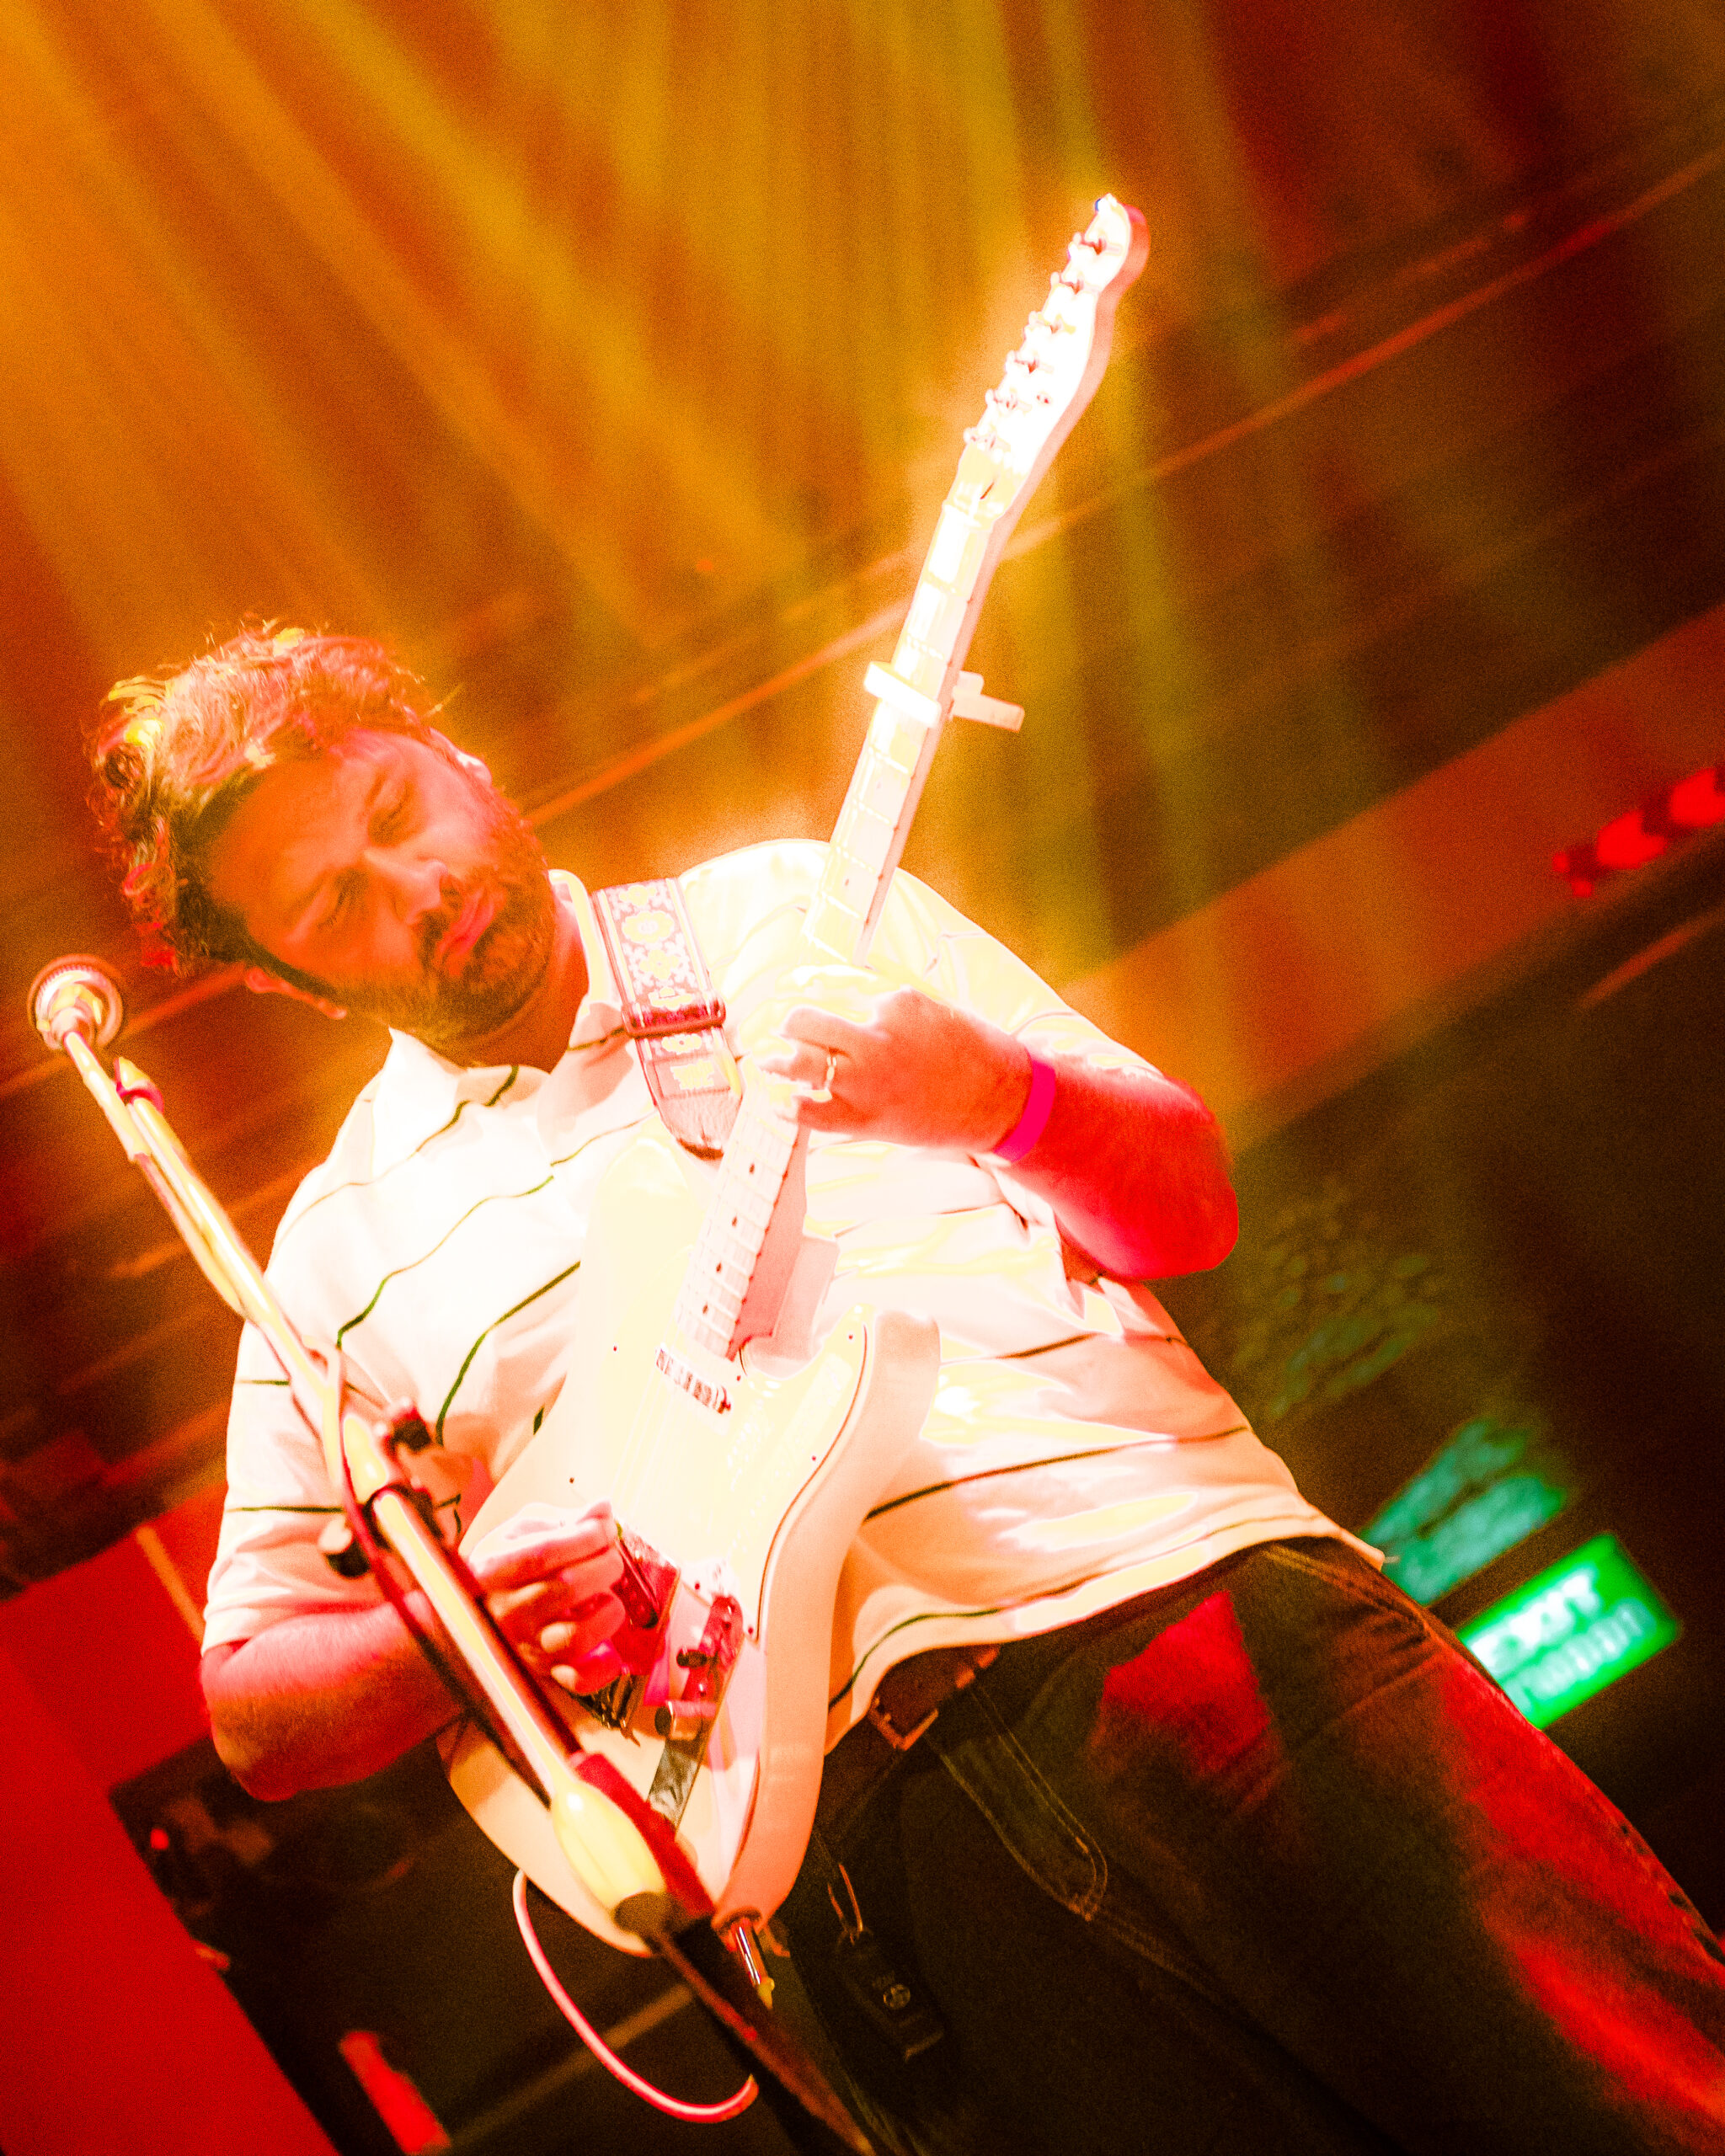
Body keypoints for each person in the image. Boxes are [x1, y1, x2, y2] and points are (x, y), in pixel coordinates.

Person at [93, 627, 1725, 2154]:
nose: (413, 884)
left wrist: (1001, 1097)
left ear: (453, 755)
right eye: (334, 901)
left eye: (395, 811)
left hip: (1189, 1627)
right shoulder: (339, 1252)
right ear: (283, 980)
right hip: (861, 1871)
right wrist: (463, 1632)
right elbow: (254, 1706)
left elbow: (1187, 1206)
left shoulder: (793, 910)